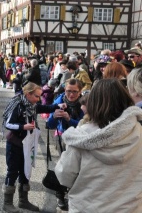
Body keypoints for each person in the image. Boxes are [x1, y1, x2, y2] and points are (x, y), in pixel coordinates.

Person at [55, 79, 142, 212]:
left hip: (87, 206)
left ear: (93, 103)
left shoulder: (81, 136)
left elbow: (64, 175)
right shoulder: (138, 132)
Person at [1, 82, 63, 212]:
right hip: (15, 143)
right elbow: (8, 124)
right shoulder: (18, 104)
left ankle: (23, 201)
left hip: (27, 143)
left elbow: (44, 108)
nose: (38, 99)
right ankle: (7, 204)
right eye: (36, 96)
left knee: (25, 170)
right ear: (28, 94)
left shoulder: (32, 105)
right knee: (12, 172)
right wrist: (22, 126)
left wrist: (58, 105)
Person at [46, 78, 84, 212]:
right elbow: (49, 125)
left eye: (75, 92)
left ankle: (73, 195)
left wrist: (70, 119)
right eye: (68, 91)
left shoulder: (84, 103)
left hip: (79, 138)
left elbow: (84, 124)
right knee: (62, 167)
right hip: (62, 137)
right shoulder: (59, 101)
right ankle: (60, 195)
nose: (71, 95)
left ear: (80, 92)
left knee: (77, 169)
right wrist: (54, 116)